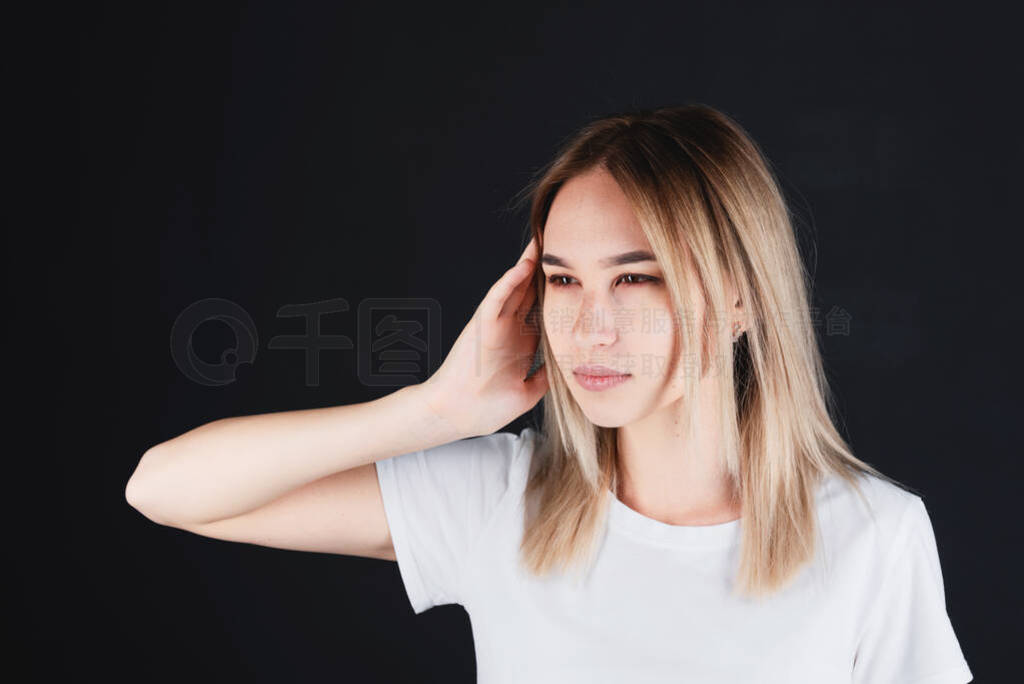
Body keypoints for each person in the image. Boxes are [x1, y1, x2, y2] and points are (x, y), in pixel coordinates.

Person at [126, 104, 973, 683]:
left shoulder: (874, 537)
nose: (590, 327)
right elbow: (163, 489)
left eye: (636, 277)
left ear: (742, 296)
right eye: (564, 280)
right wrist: (430, 411)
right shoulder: (505, 499)